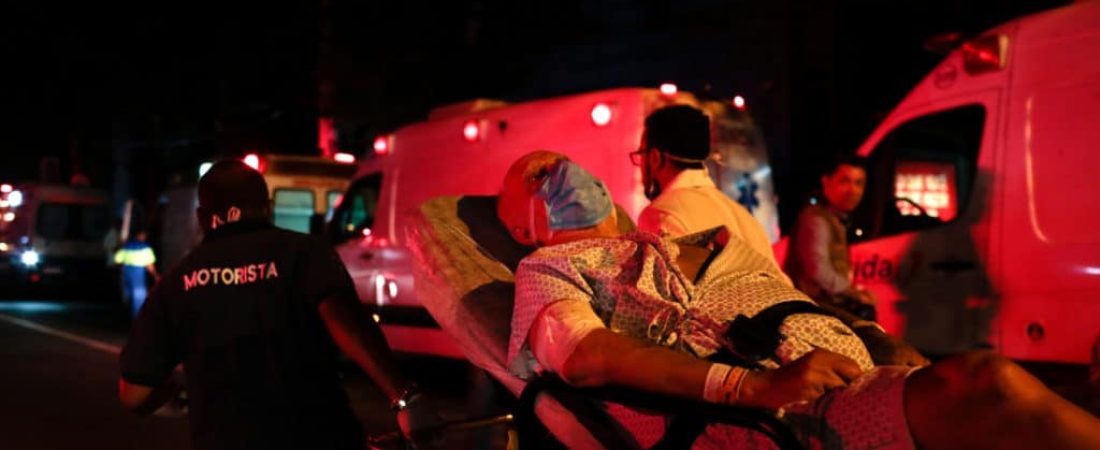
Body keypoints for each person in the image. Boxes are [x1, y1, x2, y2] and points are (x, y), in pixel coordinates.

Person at [497, 151, 1100, 450]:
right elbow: (585, 354)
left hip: (849, 368)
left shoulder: (680, 241)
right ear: (522, 224)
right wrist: (750, 388)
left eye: (567, 161)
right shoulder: (547, 265)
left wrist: (881, 341)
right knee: (987, 387)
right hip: (784, 410)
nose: (568, 168)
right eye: (542, 172)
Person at [118, 160, 430, 450]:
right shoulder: (304, 253)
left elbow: (134, 395)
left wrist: (174, 391)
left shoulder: (175, 283)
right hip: (319, 436)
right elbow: (342, 318)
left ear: (202, 217)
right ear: (267, 208)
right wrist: (404, 399)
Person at [634, 105, 777, 267]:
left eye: (641, 155)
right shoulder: (744, 218)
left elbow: (669, 289)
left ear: (655, 158)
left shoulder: (662, 215)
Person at [784, 155, 877, 320]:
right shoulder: (816, 219)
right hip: (812, 311)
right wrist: (853, 293)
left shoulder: (835, 218)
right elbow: (818, 270)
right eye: (845, 181)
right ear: (826, 182)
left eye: (859, 183)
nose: (852, 190)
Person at [114, 229, 159, 318]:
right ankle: (137, 319)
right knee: (139, 298)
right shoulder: (145, 248)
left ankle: (126, 317)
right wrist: (155, 275)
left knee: (127, 296)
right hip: (138, 275)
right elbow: (149, 265)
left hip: (126, 273)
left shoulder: (126, 246)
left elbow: (117, 260)